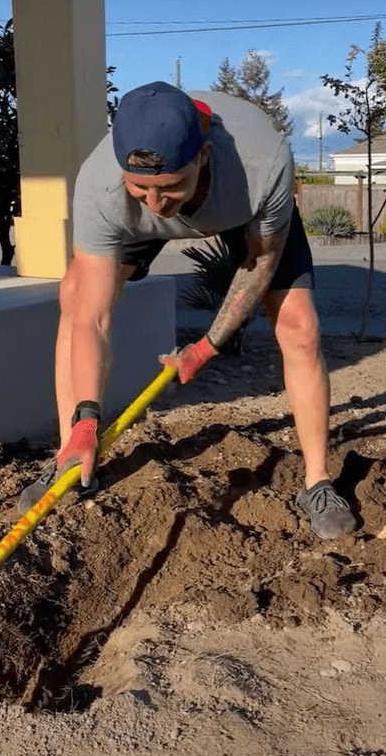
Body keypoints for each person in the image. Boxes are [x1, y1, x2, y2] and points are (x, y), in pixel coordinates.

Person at [19, 81, 356, 540]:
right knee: (75, 293)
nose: (157, 205)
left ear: (202, 156)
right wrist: (88, 416)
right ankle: (73, 454)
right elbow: (91, 318)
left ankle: (316, 483)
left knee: (300, 327)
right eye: (141, 189)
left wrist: (207, 346)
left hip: (243, 216)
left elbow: (258, 266)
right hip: (130, 219)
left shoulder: (260, 162)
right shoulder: (101, 185)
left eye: (170, 188)